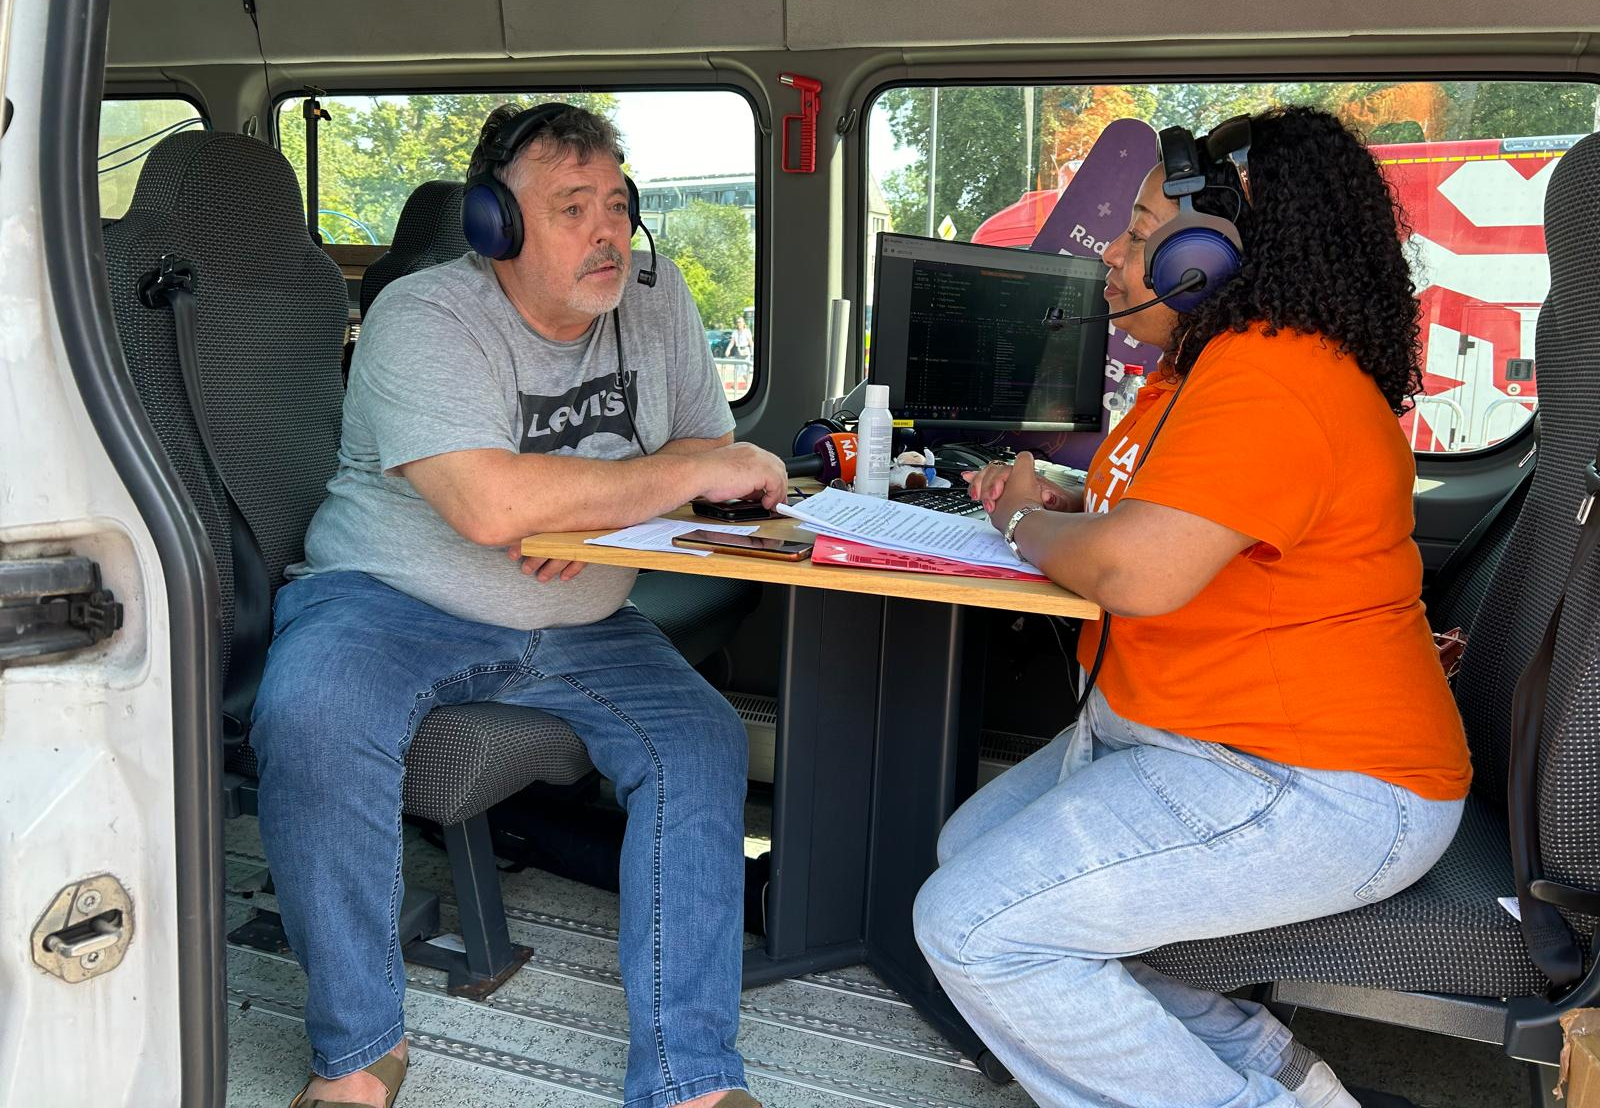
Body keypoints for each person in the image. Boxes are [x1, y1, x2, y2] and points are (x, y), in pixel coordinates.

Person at [913, 106, 1472, 1108]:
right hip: (1196, 737)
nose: (1112, 258)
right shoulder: (1203, 370)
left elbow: (1140, 574)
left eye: (1137, 235)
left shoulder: (1275, 376)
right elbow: (1176, 517)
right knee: (974, 856)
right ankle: (1274, 1071)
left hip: (1314, 782)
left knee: (974, 927)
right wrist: (1073, 504)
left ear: (1207, 258)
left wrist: (1020, 522)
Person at [252, 103, 786, 1108]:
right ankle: (358, 1056)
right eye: (572, 208)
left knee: (702, 740)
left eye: (617, 205)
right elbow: (492, 507)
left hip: (584, 619)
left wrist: (587, 514)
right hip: (388, 600)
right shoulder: (424, 316)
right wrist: (613, 492)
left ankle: (692, 1081)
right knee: (313, 716)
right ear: (496, 225)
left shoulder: (655, 294)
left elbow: (706, 456)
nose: (606, 232)